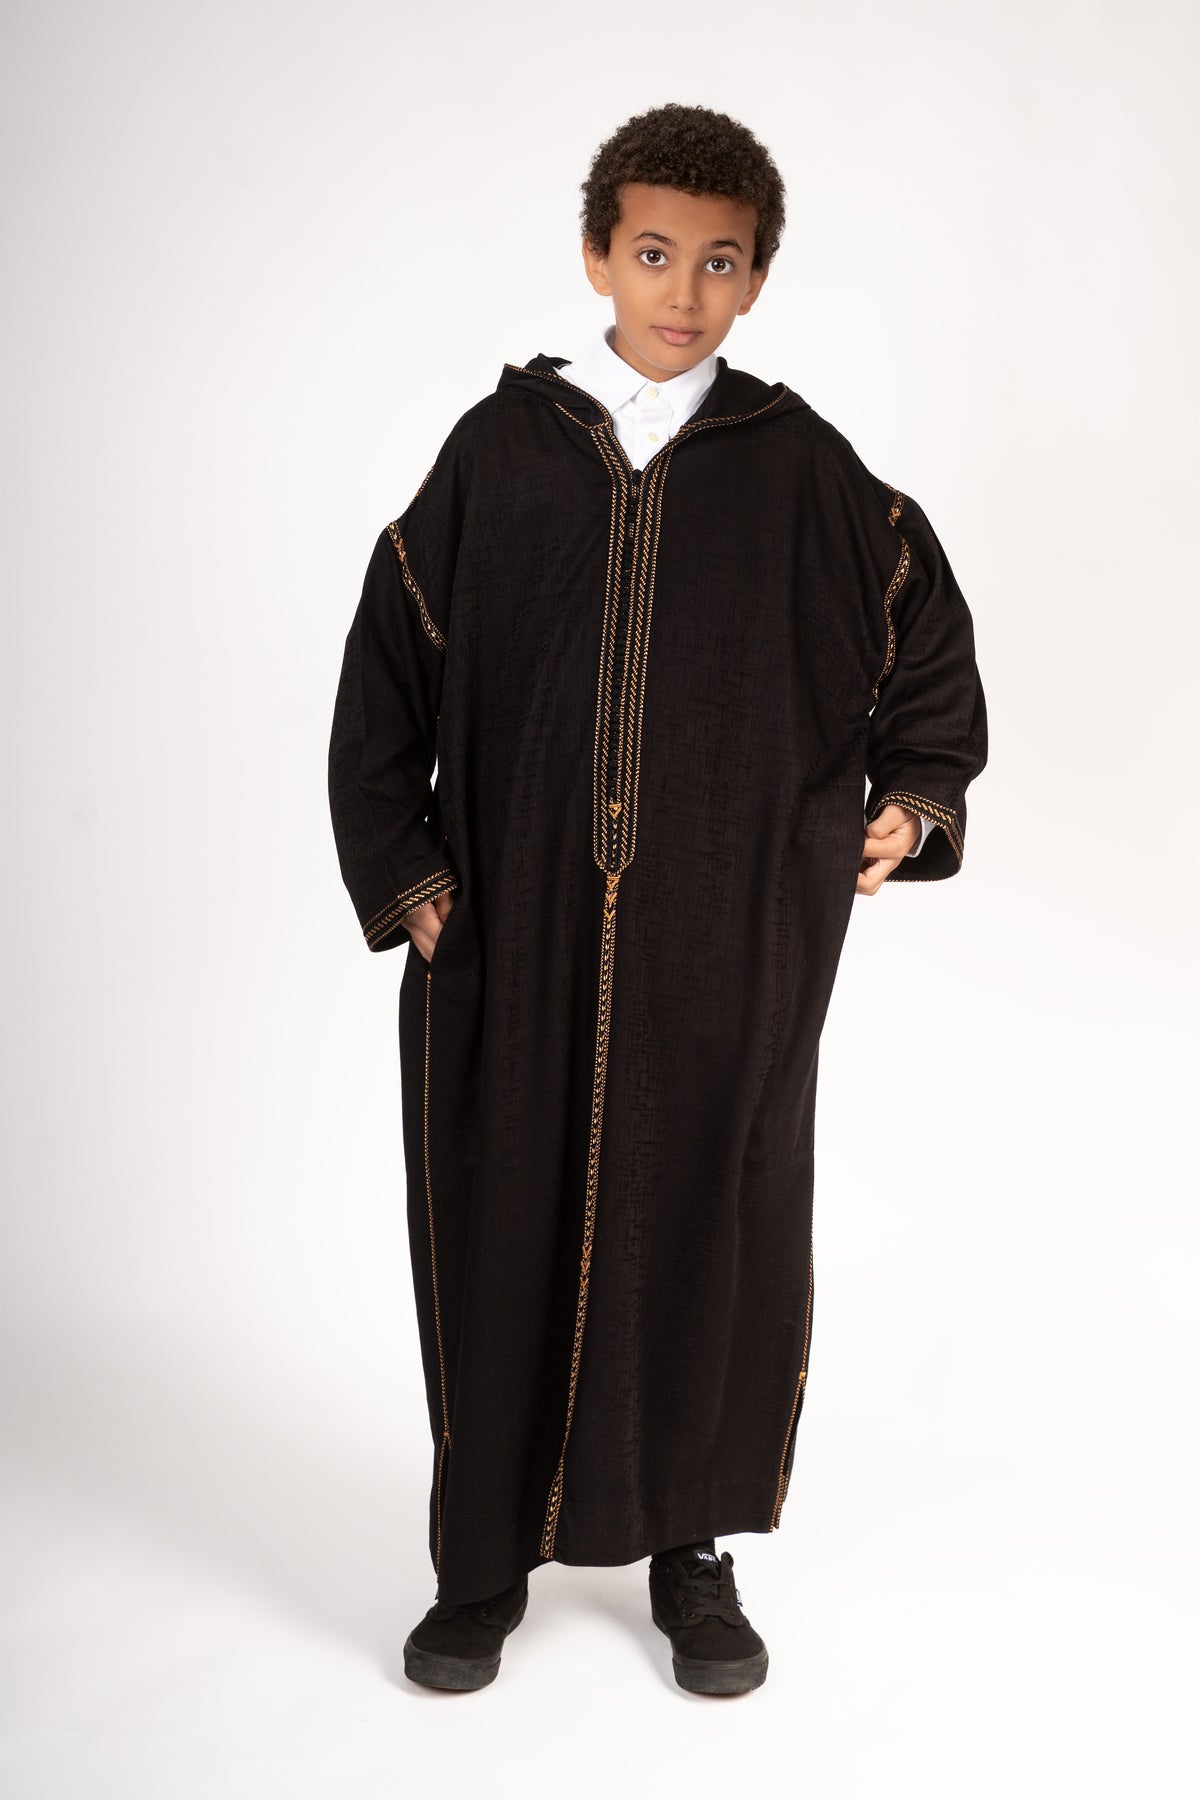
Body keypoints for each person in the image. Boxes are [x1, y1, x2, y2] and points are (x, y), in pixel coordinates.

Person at [327, 100, 988, 1697]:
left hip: (726, 944)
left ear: (757, 278)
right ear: (594, 257)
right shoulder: (501, 455)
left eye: (720, 261)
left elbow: (925, 635)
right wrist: (410, 872)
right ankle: (480, 1564)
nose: (682, 291)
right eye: (651, 252)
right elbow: (387, 663)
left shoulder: (800, 471)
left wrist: (913, 799)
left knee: (715, 1229)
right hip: (512, 942)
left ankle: (694, 1552)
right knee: (498, 1224)